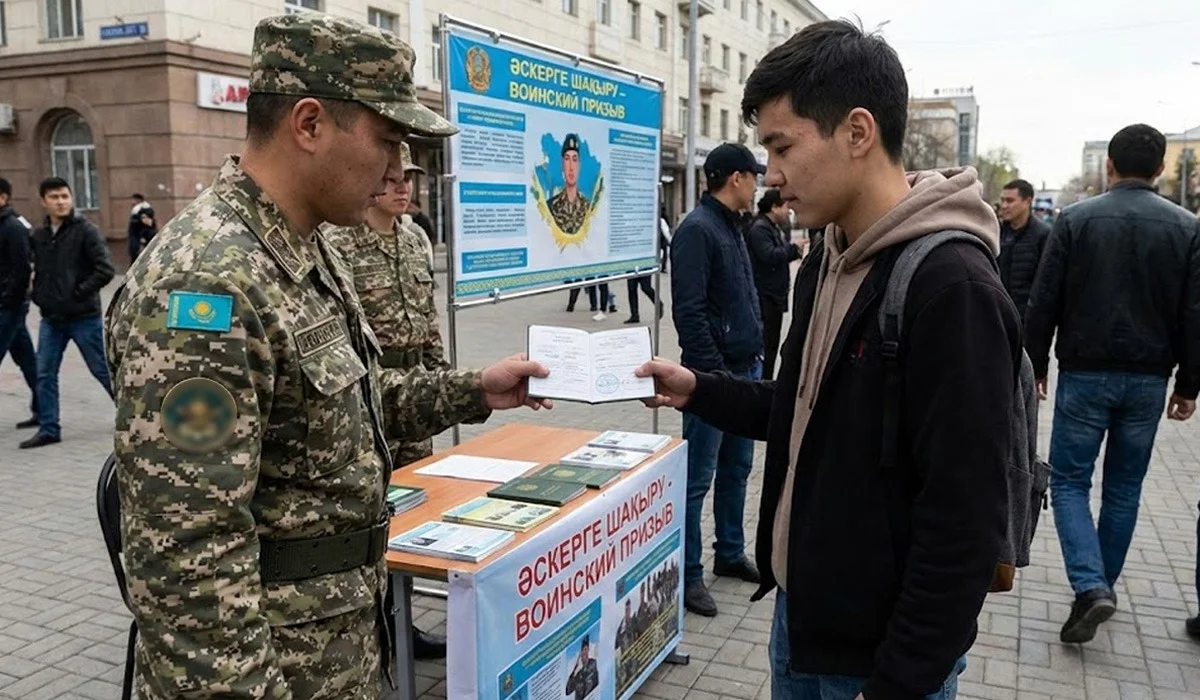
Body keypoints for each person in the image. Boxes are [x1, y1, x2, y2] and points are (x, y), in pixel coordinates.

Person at [104, 14, 551, 698]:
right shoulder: (208, 284)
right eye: (388, 141)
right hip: (274, 667)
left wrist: (476, 390)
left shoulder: (302, 247)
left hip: (331, 643)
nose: (395, 171)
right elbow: (189, 570)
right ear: (308, 125)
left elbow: (343, 405)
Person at [638, 20, 1019, 699]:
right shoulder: (825, 261)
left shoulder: (952, 288)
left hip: (879, 660)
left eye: (781, 146)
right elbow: (801, 407)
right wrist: (698, 388)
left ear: (857, 132)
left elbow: (963, 523)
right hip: (801, 620)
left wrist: (897, 682)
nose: (772, 177)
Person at [1024, 124, 1200, 644]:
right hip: (1148, 380)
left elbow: (1044, 297)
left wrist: (1035, 364)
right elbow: (1194, 314)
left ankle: (1091, 585)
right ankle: (1099, 586)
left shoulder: (1076, 220)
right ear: (1163, 169)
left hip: (1084, 373)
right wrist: (1189, 385)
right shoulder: (1188, 228)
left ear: (1109, 166)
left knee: (1070, 482)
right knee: (1124, 488)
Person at [321, 142, 467, 660]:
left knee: (415, 515)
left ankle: (402, 626)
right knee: (375, 515)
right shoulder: (341, 242)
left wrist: (446, 384)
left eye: (409, 178)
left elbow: (427, 322)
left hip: (417, 399)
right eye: (392, 177)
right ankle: (377, 628)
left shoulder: (416, 239)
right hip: (373, 399)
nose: (404, 187)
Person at [670, 142, 765, 617]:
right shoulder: (697, 230)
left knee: (737, 470)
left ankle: (728, 552)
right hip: (713, 380)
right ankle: (688, 576)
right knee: (695, 481)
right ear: (736, 179)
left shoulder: (733, 225)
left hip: (747, 370)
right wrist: (713, 377)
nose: (759, 184)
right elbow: (688, 313)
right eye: (755, 176)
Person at [21, 177, 115, 449]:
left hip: (83, 317)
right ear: (43, 201)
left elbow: (105, 270)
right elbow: (37, 270)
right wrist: (39, 295)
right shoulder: (39, 236)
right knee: (44, 373)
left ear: (71, 198)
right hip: (52, 319)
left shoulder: (86, 231)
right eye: (54, 197)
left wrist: (77, 292)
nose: (60, 201)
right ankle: (49, 428)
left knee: (102, 370)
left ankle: (134, 418)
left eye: (64, 196)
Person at [746, 188, 802, 379]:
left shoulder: (772, 227)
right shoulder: (760, 228)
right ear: (774, 207)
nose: (788, 211)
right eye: (786, 206)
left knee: (772, 345)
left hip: (774, 296)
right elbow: (769, 255)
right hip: (765, 297)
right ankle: (763, 383)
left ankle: (766, 381)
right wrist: (794, 250)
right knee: (767, 345)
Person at [0, 178, 39, 428]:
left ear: (3, 197)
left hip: (8, 306)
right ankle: (44, 409)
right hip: (7, 305)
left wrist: (8, 301)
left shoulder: (13, 227)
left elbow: (22, 270)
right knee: (26, 358)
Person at [996, 179, 1051, 321]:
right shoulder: (996, 232)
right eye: (1002, 200)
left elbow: (1047, 281)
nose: (1004, 206)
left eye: (1010, 201)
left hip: (1028, 319)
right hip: (998, 314)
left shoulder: (1043, 235)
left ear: (1027, 201)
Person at [549, 133, 591, 234]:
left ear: (579, 165)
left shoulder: (588, 209)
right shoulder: (550, 207)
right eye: (567, 159)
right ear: (562, 164)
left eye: (575, 159)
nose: (571, 167)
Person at [564, 635, 599, 700]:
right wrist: (574, 670)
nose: (584, 652)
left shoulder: (594, 663)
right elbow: (568, 691)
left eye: (586, 649)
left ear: (588, 650)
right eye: (582, 650)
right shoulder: (577, 676)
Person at [127, 194, 154, 262]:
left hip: (139, 236)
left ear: (138, 200)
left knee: (138, 254)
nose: (132, 202)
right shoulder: (137, 209)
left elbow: (147, 224)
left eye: (134, 200)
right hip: (135, 235)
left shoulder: (145, 210)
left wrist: (143, 237)